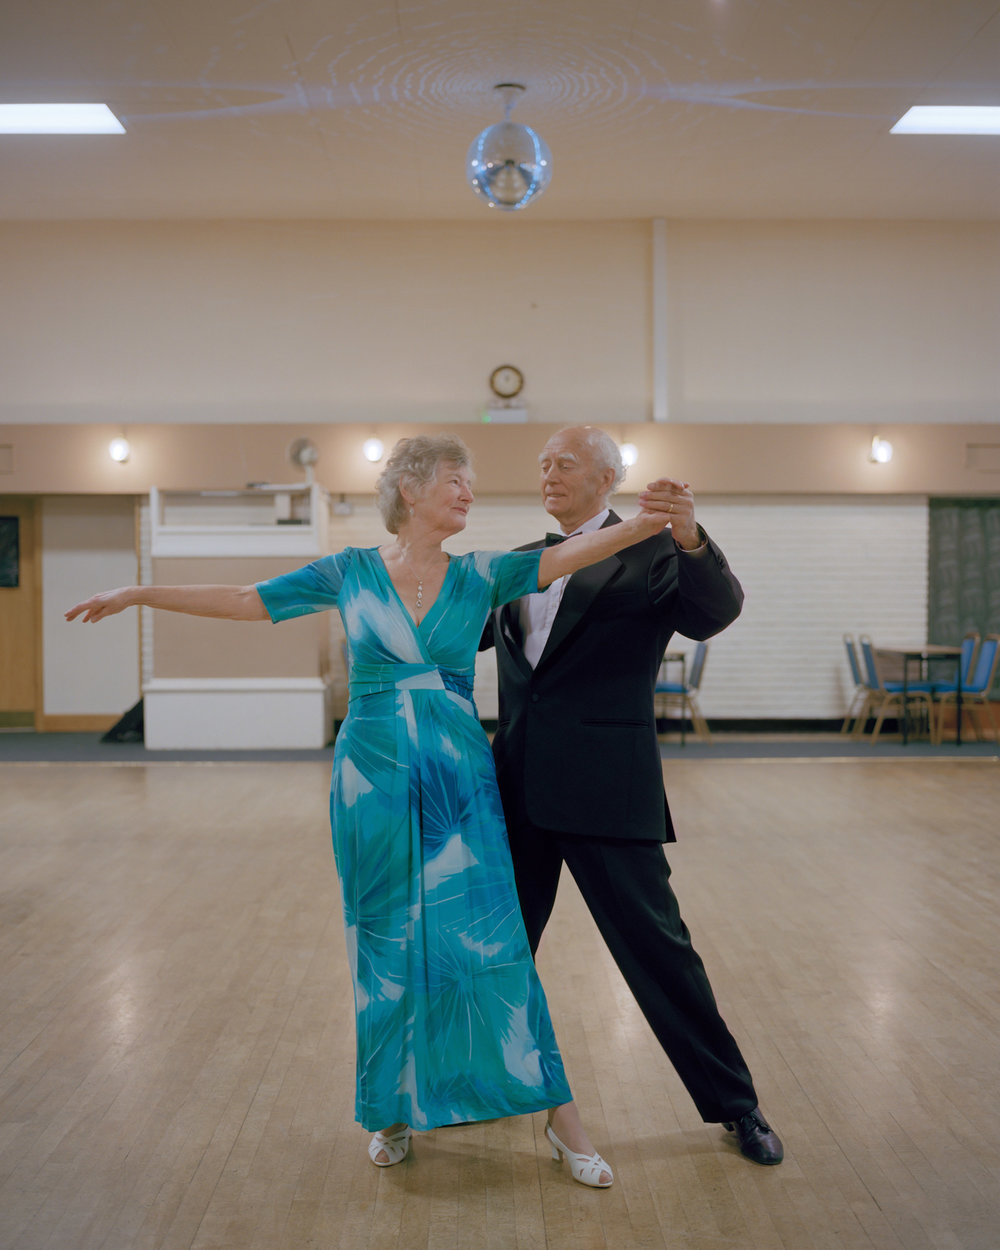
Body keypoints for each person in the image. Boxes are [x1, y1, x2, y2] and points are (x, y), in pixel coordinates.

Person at [66, 434, 673, 1186]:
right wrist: (138, 594)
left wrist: (647, 523)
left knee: (491, 949)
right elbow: (246, 601)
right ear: (411, 490)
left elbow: (570, 557)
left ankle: (559, 1115)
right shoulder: (349, 571)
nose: (469, 494)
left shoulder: (483, 573)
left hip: (461, 783)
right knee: (383, 949)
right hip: (371, 780)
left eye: (470, 483)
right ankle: (389, 1109)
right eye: (457, 480)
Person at [481, 425, 784, 1166]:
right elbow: (452, 632)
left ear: (607, 478)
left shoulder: (650, 548)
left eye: (567, 463)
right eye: (544, 462)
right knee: (492, 955)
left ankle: (736, 1106)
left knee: (660, 954)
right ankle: (465, 1089)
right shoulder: (520, 562)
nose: (549, 472)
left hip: (606, 791)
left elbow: (716, 610)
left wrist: (688, 537)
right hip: (514, 793)